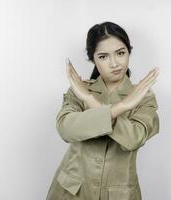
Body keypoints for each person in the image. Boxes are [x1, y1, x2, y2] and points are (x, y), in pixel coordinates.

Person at [46, 21, 160, 200]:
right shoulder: (80, 90)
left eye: (120, 53)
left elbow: (133, 139)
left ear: (128, 52)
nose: (114, 63)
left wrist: (92, 103)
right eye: (103, 56)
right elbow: (66, 129)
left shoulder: (143, 96)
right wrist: (115, 106)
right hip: (71, 192)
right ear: (93, 59)